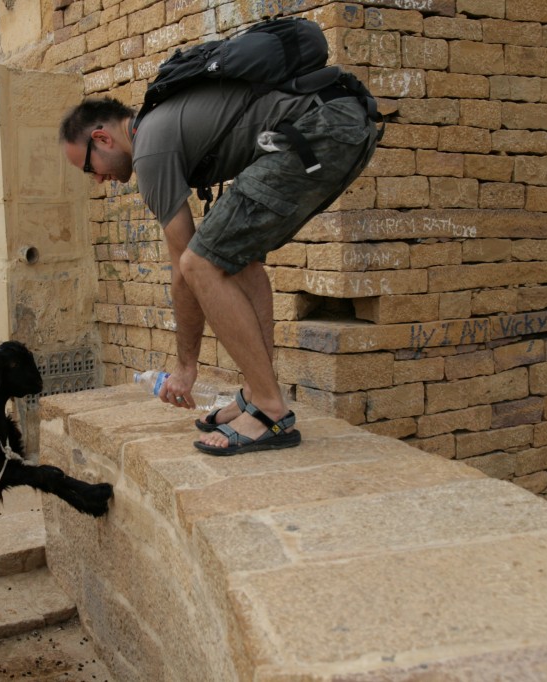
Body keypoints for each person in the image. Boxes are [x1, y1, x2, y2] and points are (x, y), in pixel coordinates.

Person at [59, 77, 378, 455]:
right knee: (237, 261)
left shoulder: (148, 151)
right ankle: (258, 394)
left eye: (88, 168)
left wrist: (185, 368)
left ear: (103, 138)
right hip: (340, 124)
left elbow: (184, 269)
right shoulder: (158, 127)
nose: (97, 179)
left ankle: (269, 409)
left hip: (319, 130)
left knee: (200, 262)